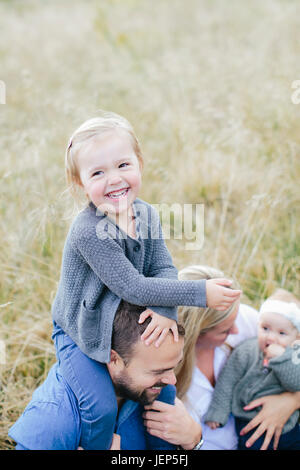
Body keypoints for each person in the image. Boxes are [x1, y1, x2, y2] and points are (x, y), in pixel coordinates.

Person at [51, 111, 241, 449]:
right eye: (98, 172)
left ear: (139, 164)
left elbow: (163, 268)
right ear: (80, 184)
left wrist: (166, 312)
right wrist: (200, 293)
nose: (113, 179)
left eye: (123, 165)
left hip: (120, 324)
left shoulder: (146, 214)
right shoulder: (89, 231)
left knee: (162, 391)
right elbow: (132, 286)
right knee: (101, 406)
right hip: (80, 330)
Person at [8, 301, 202, 450]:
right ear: (113, 359)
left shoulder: (154, 395)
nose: (172, 380)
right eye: (158, 371)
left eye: (173, 367)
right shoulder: (54, 420)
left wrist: (194, 441)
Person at [143, 266, 300, 450]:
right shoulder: (171, 379)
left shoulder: (249, 322)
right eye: (225, 331)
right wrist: (193, 440)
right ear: (197, 335)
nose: (236, 331)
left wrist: (292, 400)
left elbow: (293, 348)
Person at [204, 288, 300, 450]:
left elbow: (296, 383)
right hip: (249, 424)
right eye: (265, 328)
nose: (270, 337)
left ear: (296, 337)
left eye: (282, 333)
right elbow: (228, 380)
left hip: (288, 427)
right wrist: (218, 412)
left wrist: (281, 358)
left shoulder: (295, 354)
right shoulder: (246, 350)